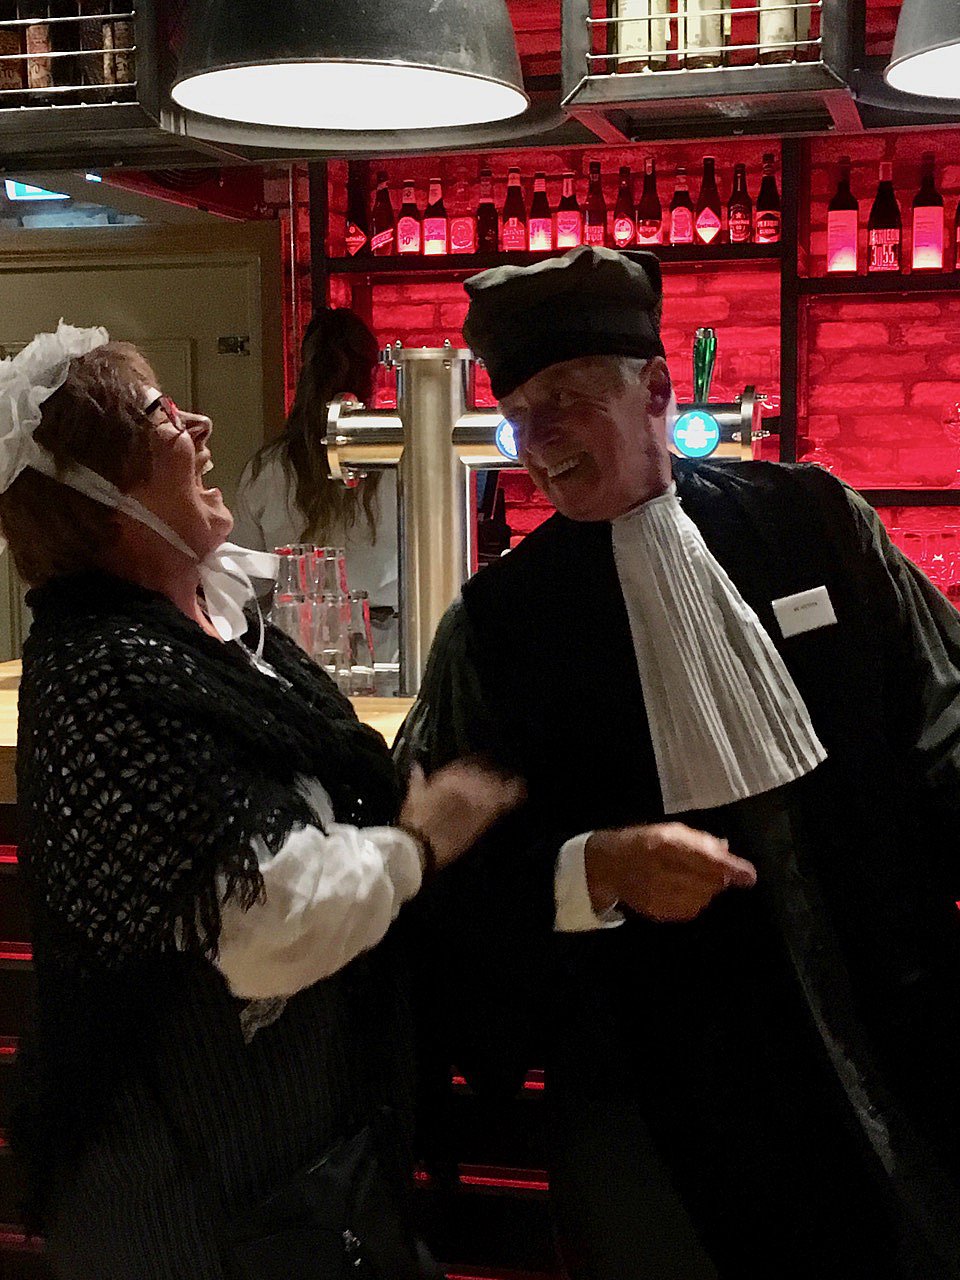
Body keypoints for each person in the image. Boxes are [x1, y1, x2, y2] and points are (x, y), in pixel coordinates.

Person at [397, 246, 960, 1280]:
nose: (536, 440)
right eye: (517, 414)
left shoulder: (814, 519)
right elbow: (430, 860)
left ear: (656, 389)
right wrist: (592, 867)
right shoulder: (497, 624)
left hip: (883, 1014)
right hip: (645, 1090)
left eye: (565, 399)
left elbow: (946, 716)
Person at [0, 322, 521, 1280]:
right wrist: (417, 846)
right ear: (99, 496)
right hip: (189, 1200)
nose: (198, 423)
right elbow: (265, 921)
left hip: (303, 1179)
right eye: (161, 414)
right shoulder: (103, 671)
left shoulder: (225, 625)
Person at [232, 306, 399, 661]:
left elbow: (248, 584)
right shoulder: (397, 461)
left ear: (305, 369)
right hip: (387, 644)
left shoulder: (267, 469)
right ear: (373, 373)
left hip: (297, 644)